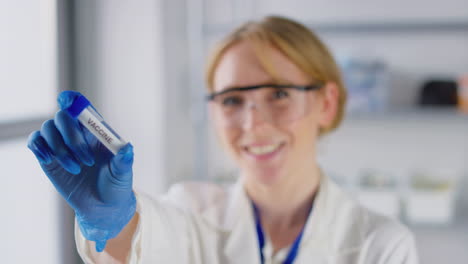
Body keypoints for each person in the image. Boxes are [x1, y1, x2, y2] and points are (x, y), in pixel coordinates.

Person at [28, 16, 418, 263]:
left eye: (279, 94)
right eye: (232, 100)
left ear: (327, 103)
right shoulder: (190, 210)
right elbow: (150, 244)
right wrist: (113, 223)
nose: (253, 123)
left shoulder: (379, 246)